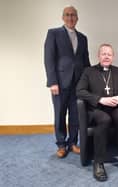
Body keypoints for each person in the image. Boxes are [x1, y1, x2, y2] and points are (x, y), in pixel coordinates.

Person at [76, 44, 118, 182]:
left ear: (113, 57)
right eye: (104, 54)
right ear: (98, 56)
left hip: (116, 107)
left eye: (109, 54)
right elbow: (79, 91)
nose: (106, 56)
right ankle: (98, 162)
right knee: (104, 120)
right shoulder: (88, 71)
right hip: (97, 109)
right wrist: (100, 99)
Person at [44, 5, 90, 158]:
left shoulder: (83, 38)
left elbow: (86, 62)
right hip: (60, 83)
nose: (70, 18)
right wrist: (52, 82)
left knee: (76, 115)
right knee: (60, 114)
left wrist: (88, 82)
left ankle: (73, 143)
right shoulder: (54, 34)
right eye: (67, 15)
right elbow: (49, 59)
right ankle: (61, 144)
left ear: (77, 18)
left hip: (78, 84)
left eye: (73, 15)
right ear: (63, 17)